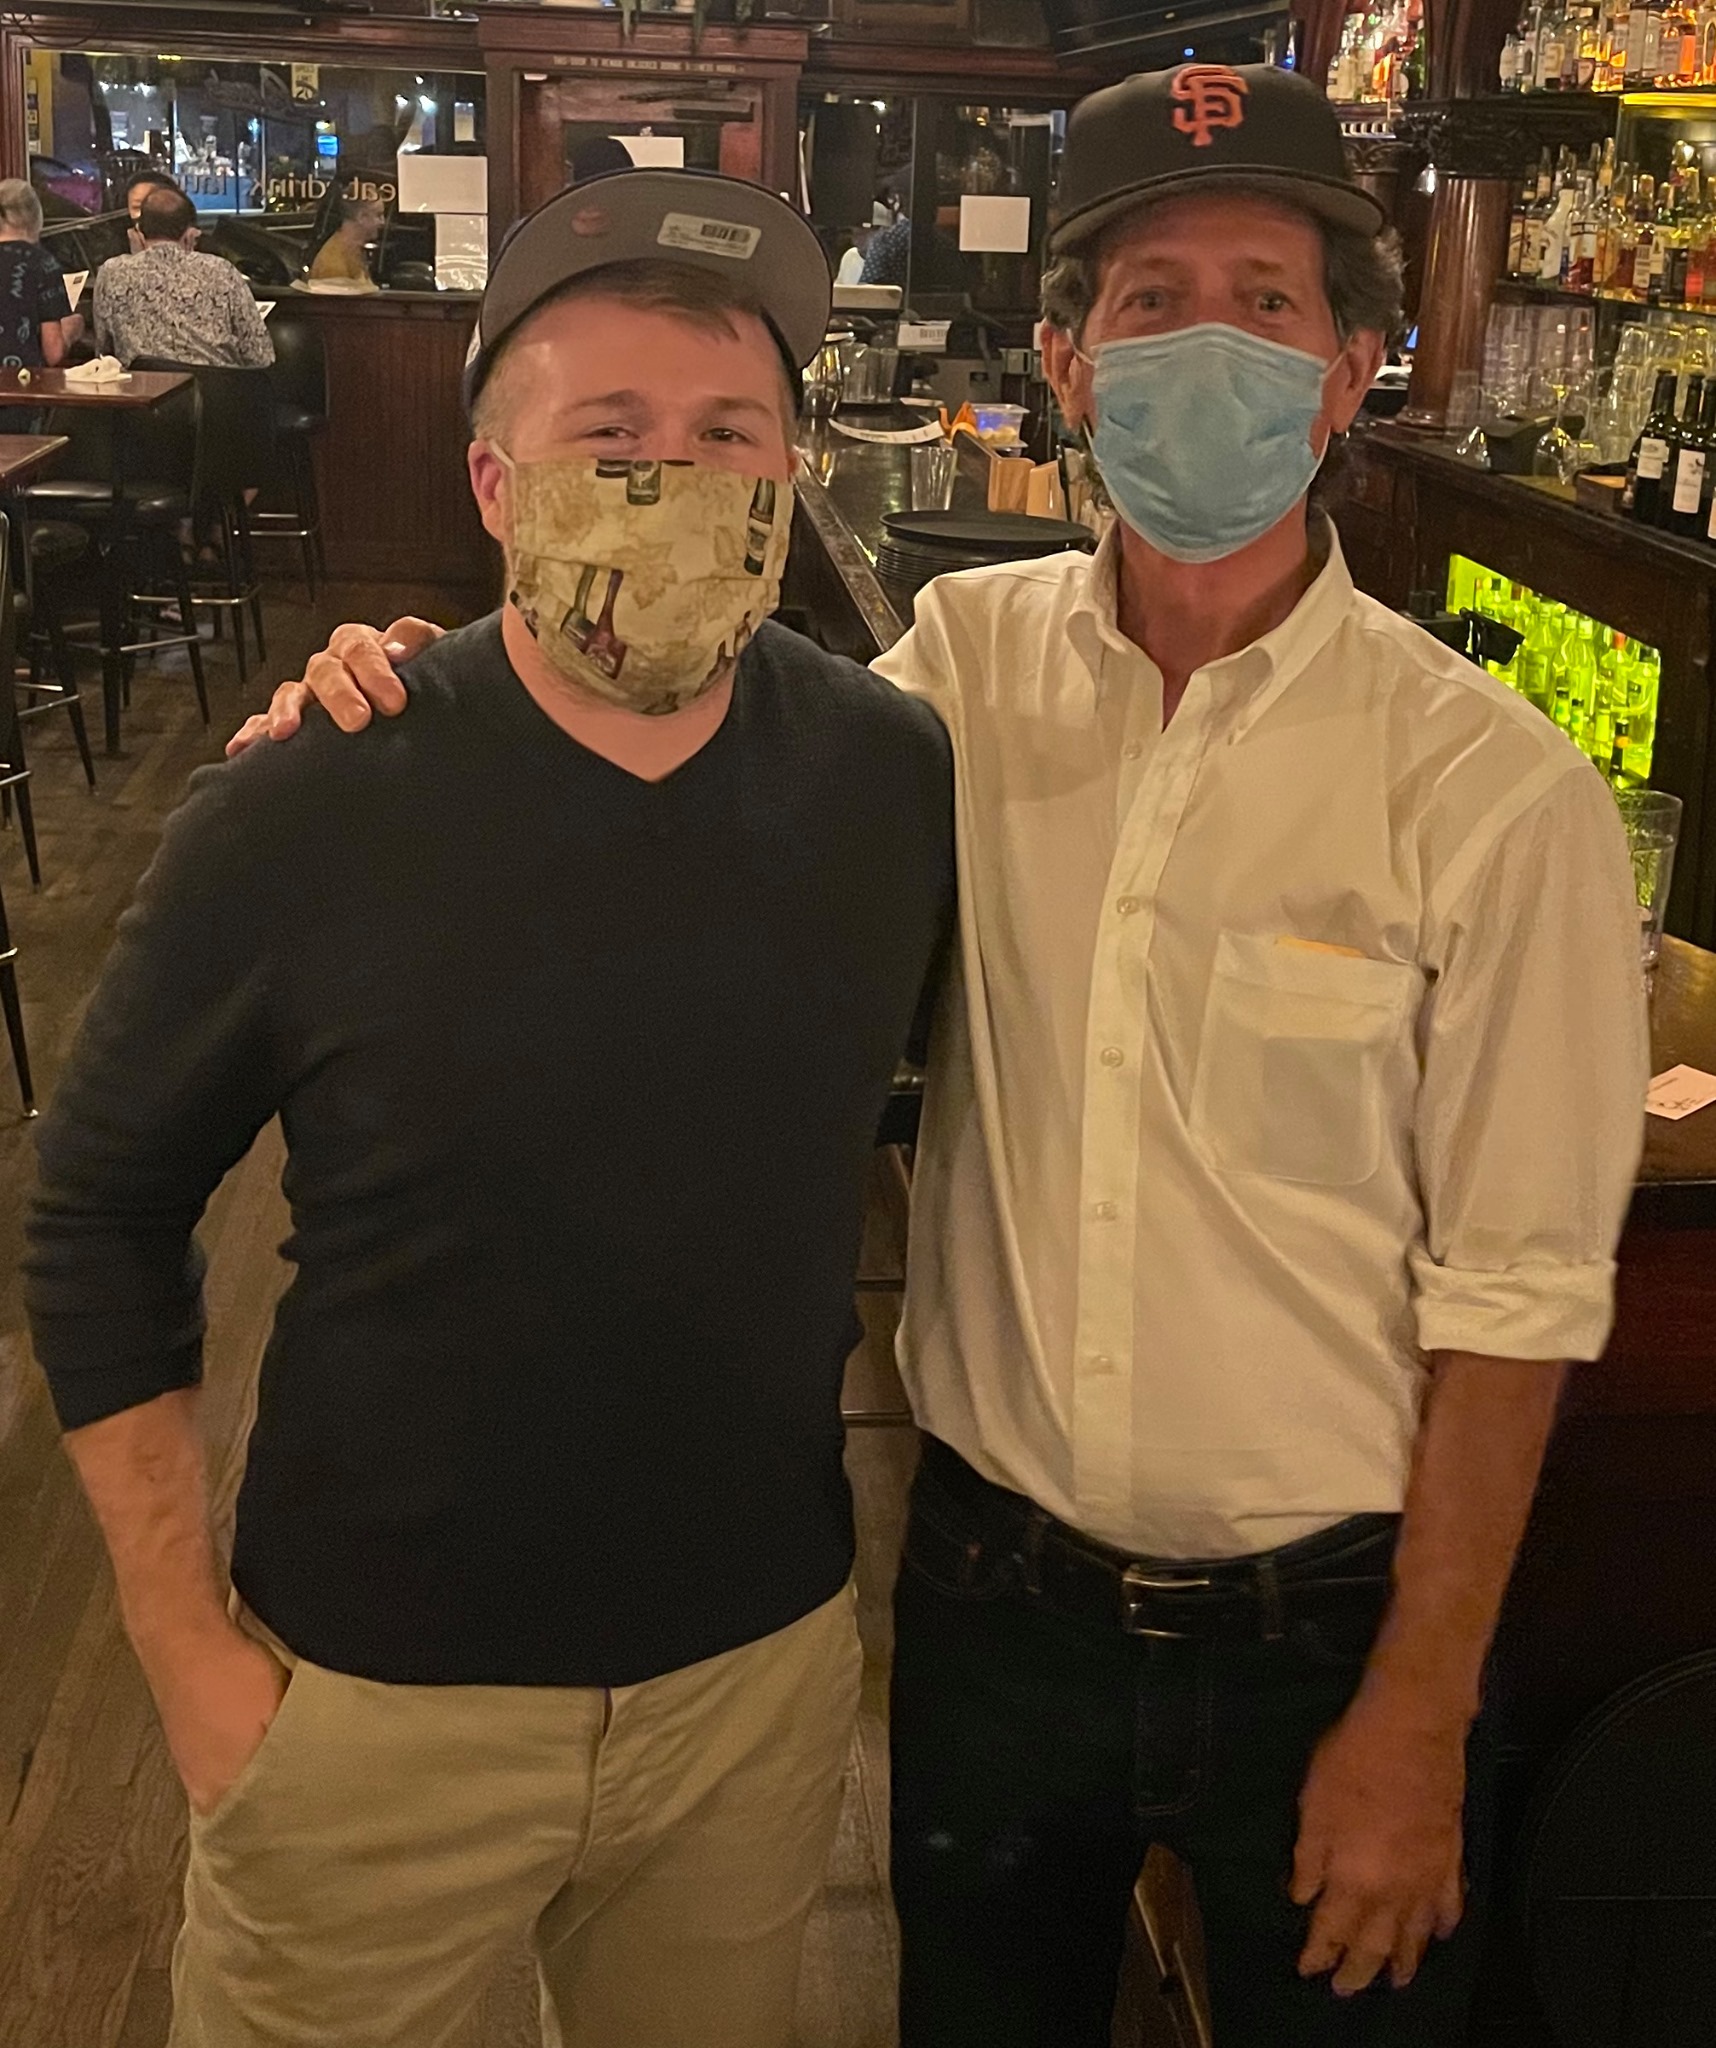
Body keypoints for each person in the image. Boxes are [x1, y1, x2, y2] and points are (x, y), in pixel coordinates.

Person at [239, 66, 1648, 2048]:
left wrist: (1419, 1712)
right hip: (992, 1611)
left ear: (1349, 372)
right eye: (1150, 302)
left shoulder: (1495, 793)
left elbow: (1517, 1296)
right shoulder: (953, 682)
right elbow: (661, 752)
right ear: (1069, 364)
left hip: (1329, 1637)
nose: (1209, 346)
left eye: (1266, 300)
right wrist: (407, 697)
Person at [26, 167, 953, 2048]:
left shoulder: (891, 776)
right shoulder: (307, 798)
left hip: (752, 1685)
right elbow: (97, 1209)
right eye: (610, 433)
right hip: (375, 1699)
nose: (674, 473)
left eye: (728, 431)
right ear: (492, 484)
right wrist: (186, 1653)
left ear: (792, 467)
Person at [93, 186, 273, 369]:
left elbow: (104, 353)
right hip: (219, 385)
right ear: (190, 234)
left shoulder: (111, 272)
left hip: (144, 385)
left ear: (137, 232)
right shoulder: (222, 270)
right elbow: (260, 355)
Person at [0, 178, 74, 368]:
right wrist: (72, 330)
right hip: (21, 381)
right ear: (35, 215)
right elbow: (54, 353)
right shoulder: (42, 263)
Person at [308, 193, 384, 286]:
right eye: (379, 215)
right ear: (362, 217)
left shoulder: (353, 252)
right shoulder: (333, 265)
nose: (383, 222)